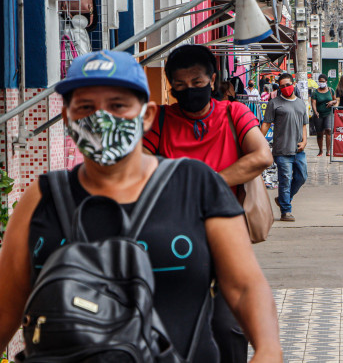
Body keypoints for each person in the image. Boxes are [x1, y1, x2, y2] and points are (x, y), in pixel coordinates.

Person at [0, 50, 282, 362]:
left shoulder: (197, 185)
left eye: (118, 106)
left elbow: (244, 286)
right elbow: (7, 306)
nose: (101, 118)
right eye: (85, 107)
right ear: (67, 117)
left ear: (146, 115)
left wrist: (268, 349)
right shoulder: (42, 198)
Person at [142, 45, 273, 363]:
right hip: (170, 235)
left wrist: (208, 181)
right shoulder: (160, 119)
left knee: (228, 325)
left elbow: (261, 156)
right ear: (171, 85)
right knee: (169, 328)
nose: (189, 91)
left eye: (197, 83)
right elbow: (139, 166)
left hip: (226, 233)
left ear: (213, 80)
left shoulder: (234, 113)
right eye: (180, 86)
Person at [261, 73, 308, 222]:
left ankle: (283, 199)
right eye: (282, 86)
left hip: (299, 150)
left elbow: (304, 124)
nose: (285, 88)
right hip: (282, 149)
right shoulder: (274, 103)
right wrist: (258, 141)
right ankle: (286, 210)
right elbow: (266, 124)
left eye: (288, 85)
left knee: (301, 177)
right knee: (285, 179)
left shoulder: (301, 103)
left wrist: (305, 141)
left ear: (293, 84)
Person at [311, 74, 337, 157]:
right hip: (319, 115)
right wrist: (315, 111)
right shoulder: (315, 92)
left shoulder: (331, 90)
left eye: (323, 81)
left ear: (326, 82)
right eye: (320, 81)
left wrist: (332, 102)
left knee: (328, 130)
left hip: (328, 113)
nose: (321, 83)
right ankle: (320, 150)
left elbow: (335, 100)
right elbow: (313, 103)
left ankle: (328, 150)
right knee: (319, 133)